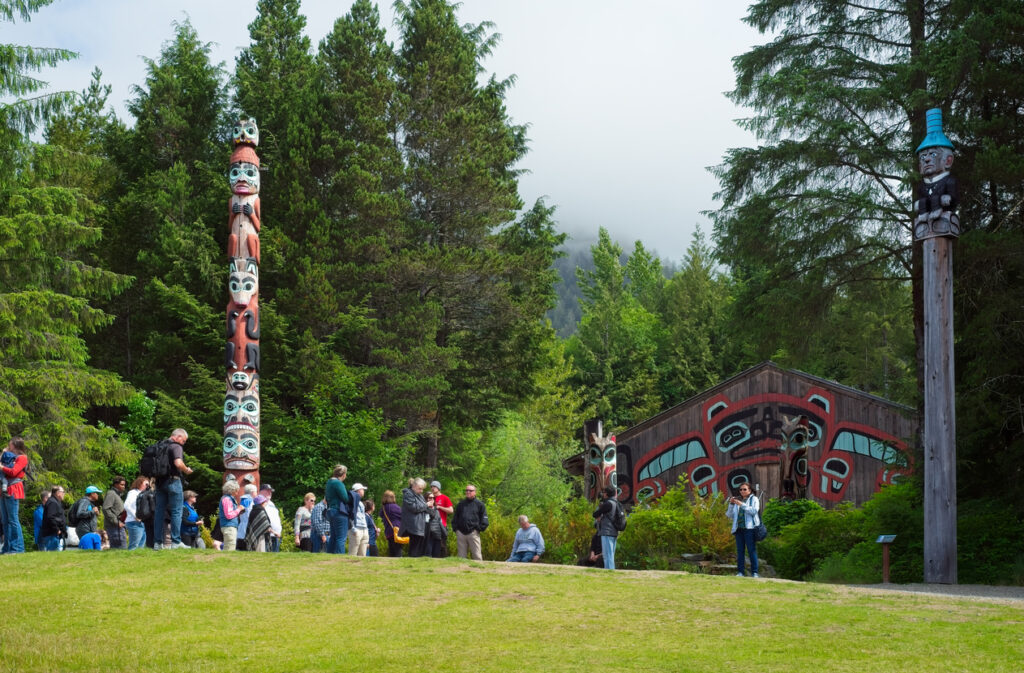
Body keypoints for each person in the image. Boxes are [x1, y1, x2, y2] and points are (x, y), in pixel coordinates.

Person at [151, 428, 195, 550]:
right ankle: (176, 542)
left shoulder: (160, 446)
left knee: (159, 512)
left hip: (160, 482)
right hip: (173, 481)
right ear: (178, 436)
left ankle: (157, 543)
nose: (183, 443)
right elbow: (178, 463)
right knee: (177, 511)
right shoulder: (176, 446)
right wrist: (187, 470)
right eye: (184, 440)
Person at [1, 436, 29, 554]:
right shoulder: (8, 456)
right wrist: (3, 453)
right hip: (4, 490)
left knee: (13, 520)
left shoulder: (22, 458)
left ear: (15, 445)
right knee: (5, 520)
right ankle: (7, 547)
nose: (9, 446)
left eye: (10, 444)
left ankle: (18, 548)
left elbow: (14, 472)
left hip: (13, 489)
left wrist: (2, 467)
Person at [727, 482, 761, 578]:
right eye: (741, 489)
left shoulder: (754, 499)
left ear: (749, 490)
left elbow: (754, 511)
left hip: (749, 529)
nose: (742, 491)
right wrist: (731, 504)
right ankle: (740, 572)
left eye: (744, 489)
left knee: (751, 550)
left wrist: (742, 504)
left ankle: (755, 572)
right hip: (739, 530)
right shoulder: (738, 501)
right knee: (740, 551)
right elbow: (729, 515)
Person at [452, 484, 488, 561]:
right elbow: (455, 517)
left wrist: (478, 529)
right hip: (461, 533)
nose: (468, 492)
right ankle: (461, 572)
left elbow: (484, 519)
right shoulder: (461, 504)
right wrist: (456, 529)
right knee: (461, 558)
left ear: (475, 492)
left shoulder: (480, 504)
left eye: (470, 490)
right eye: (467, 490)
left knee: (477, 556)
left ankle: (479, 571)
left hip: (473, 533)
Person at [324, 465, 351, 554]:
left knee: (333, 537)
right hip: (339, 512)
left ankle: (330, 557)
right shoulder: (338, 483)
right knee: (341, 538)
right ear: (343, 475)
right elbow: (345, 498)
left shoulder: (329, 482)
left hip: (330, 511)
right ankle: (340, 559)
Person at [592, 486, 620, 570]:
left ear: (607, 494)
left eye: (604, 493)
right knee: (611, 553)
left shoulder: (608, 504)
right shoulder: (616, 503)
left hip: (607, 531)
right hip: (614, 531)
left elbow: (595, 514)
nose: (603, 494)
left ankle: (609, 570)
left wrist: (598, 518)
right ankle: (610, 569)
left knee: (607, 554)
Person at [400, 478, 429, 558]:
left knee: (419, 548)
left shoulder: (420, 496)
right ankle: (411, 563)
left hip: (419, 525)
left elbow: (423, 507)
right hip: (413, 525)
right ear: (414, 486)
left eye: (422, 489)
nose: (421, 491)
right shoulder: (408, 494)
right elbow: (414, 508)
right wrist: (426, 505)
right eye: (420, 489)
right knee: (414, 548)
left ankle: (416, 564)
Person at [123, 477, 149, 550]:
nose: (147, 486)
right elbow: (126, 505)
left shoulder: (142, 493)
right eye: (146, 484)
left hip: (141, 522)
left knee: (141, 546)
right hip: (134, 522)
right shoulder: (133, 493)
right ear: (139, 484)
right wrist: (135, 515)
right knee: (134, 545)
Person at [218, 480, 245, 551]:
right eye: (236, 490)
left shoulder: (228, 498)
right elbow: (229, 515)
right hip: (228, 526)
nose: (237, 492)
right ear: (232, 490)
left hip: (229, 526)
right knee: (229, 548)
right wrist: (239, 509)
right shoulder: (227, 499)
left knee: (230, 546)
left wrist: (238, 511)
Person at [102, 476, 127, 549]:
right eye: (122, 485)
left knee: (121, 548)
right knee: (120, 549)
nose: (124, 487)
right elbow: (105, 508)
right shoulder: (111, 494)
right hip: (114, 527)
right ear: (116, 485)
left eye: (124, 485)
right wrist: (116, 521)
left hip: (119, 527)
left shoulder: (117, 495)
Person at [39, 485, 67, 551]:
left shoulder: (55, 502)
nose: (64, 494)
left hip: (54, 534)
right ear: (58, 493)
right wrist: (57, 530)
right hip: (52, 534)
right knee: (53, 556)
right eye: (63, 492)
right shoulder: (52, 502)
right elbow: (50, 517)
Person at [347, 483, 369, 557]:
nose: (363, 491)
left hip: (363, 529)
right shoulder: (351, 501)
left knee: (363, 554)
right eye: (362, 489)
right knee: (352, 553)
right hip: (356, 528)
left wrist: (366, 529)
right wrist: (353, 528)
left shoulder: (361, 503)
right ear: (358, 491)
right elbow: (349, 515)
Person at [380, 490, 403, 558]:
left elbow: (381, 515)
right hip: (397, 530)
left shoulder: (383, 508)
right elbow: (403, 516)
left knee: (392, 551)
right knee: (398, 551)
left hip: (389, 532)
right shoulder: (396, 507)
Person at [425, 492, 448, 558]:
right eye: (430, 498)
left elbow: (440, 522)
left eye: (433, 498)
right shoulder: (422, 509)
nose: (432, 499)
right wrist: (426, 506)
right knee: (428, 555)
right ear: (426, 499)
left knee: (436, 555)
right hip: (428, 535)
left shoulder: (437, 510)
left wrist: (444, 532)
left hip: (437, 534)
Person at [260, 484, 282, 552]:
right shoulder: (259, 503)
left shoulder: (272, 504)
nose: (270, 493)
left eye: (270, 491)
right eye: (267, 491)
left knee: (275, 560)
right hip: (265, 536)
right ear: (260, 492)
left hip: (275, 536)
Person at [236, 483, 257, 550]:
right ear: (253, 492)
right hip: (247, 529)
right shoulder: (249, 501)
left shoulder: (244, 500)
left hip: (243, 528)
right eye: (256, 492)